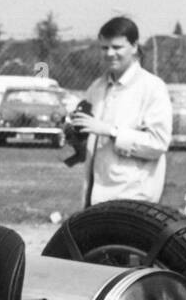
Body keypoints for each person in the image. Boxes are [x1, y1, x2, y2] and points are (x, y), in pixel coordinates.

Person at [69, 16, 171, 206]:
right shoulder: (97, 87)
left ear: (134, 47)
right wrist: (75, 133)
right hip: (95, 197)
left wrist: (111, 131)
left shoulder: (152, 87)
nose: (110, 53)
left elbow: (158, 144)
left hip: (134, 198)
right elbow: (89, 134)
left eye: (117, 47)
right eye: (104, 47)